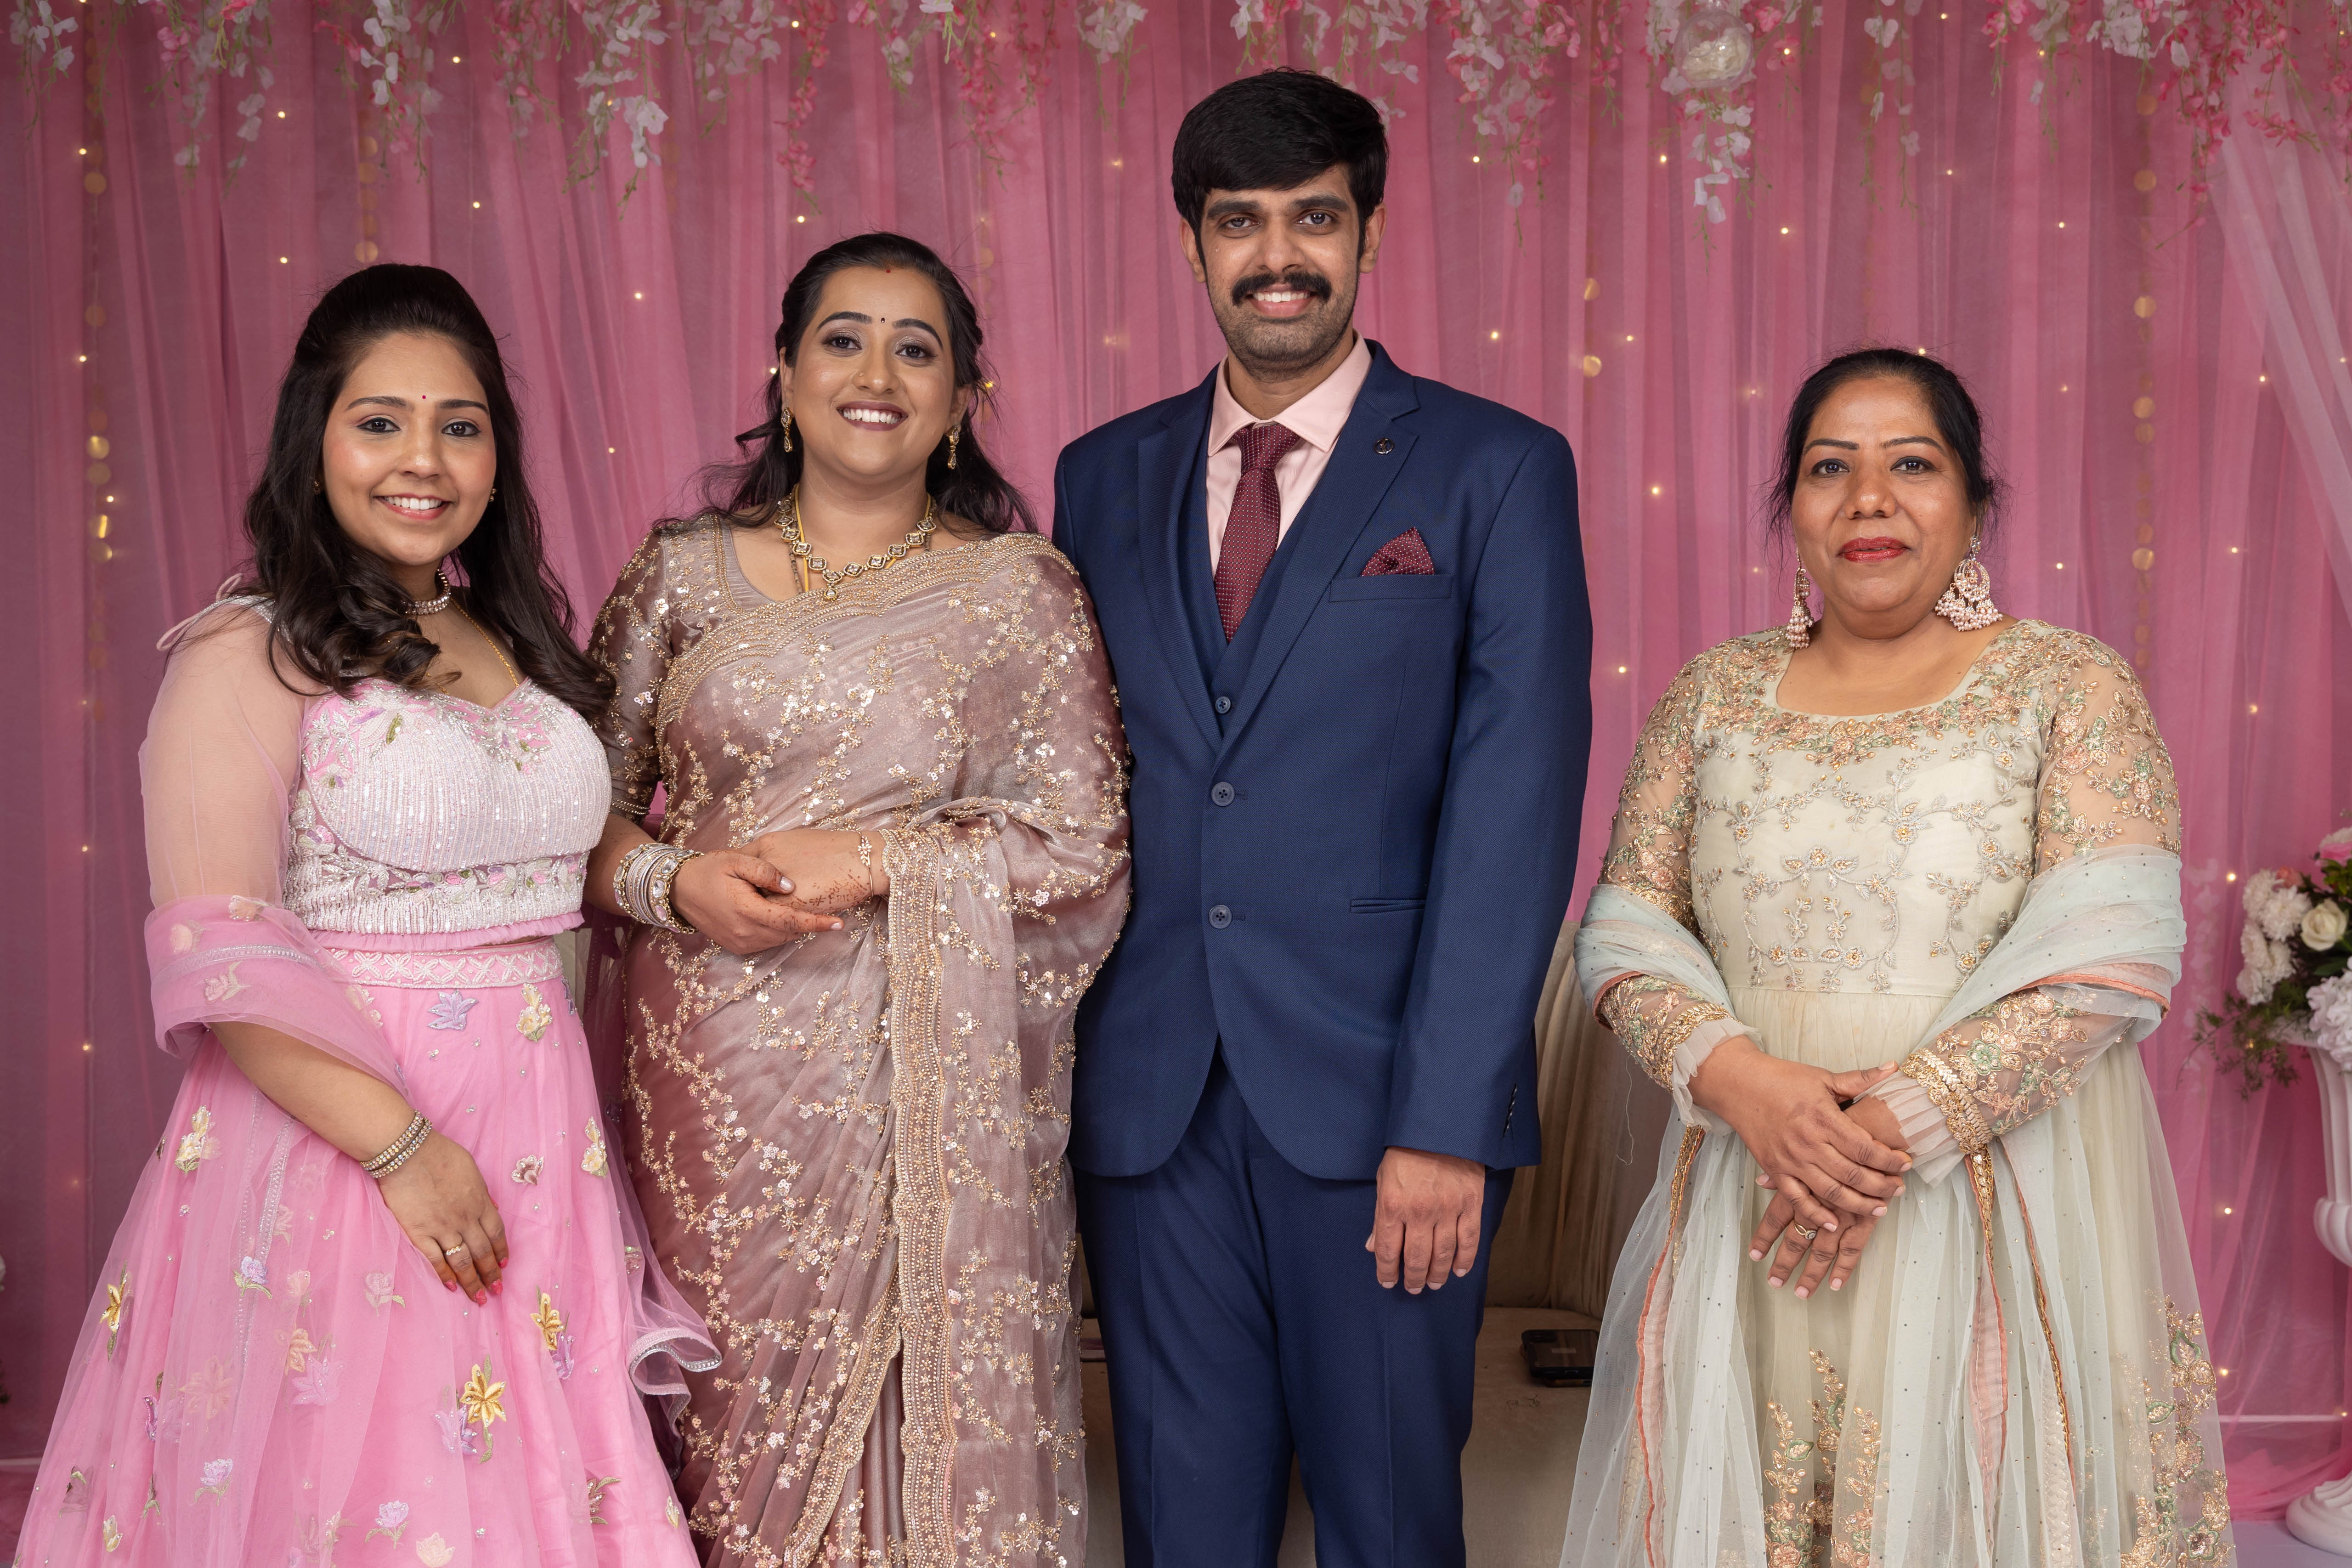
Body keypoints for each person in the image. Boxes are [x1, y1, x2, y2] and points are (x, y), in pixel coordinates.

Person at [12, 265, 715, 1567]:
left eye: (461, 425)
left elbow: (554, 862)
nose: (423, 460)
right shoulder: (248, 649)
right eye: (379, 421)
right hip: (346, 1143)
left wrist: (684, 883)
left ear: (497, 457)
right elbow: (221, 957)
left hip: (539, 1136)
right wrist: (403, 1152)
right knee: (378, 1500)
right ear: (315, 439)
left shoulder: (513, 638)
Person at [1558, 348, 2229, 1567]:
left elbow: (2111, 955)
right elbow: (1626, 929)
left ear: (1975, 504)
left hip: (1984, 1197)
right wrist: (1748, 1088)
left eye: (1911, 465)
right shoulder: (1713, 695)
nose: (1869, 497)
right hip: (1757, 1190)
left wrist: (1879, 1138)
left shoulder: (2066, 685)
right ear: (1792, 510)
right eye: (1830, 468)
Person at [1052, 69, 1592, 1567]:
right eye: (1241, 222)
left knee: (1387, 1528)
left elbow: (1514, 812)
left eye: (1314, 218)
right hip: (1150, 1106)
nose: (1277, 255)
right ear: (1192, 241)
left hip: (1384, 1110)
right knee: (1182, 1531)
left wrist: (1444, 1124)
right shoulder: (1100, 478)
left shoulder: (1498, 469)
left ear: (1369, 231)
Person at [582, 231, 1130, 1565]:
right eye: (843, 339)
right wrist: (671, 881)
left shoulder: (1021, 593)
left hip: (918, 1098)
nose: (875, 374)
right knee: (716, 1443)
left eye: (915, 349)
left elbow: (1085, 846)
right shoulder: (678, 575)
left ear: (961, 400)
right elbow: (564, 814)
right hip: (709, 1097)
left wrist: (881, 858)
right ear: (784, 375)